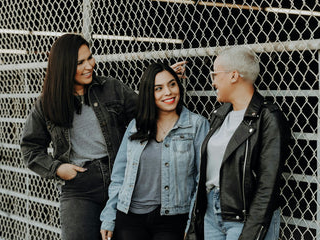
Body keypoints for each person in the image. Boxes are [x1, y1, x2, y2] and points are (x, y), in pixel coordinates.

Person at [20, 34, 186, 240]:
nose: (90, 65)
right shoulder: (46, 103)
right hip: (80, 187)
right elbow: (30, 148)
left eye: (90, 58)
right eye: (80, 62)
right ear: (64, 66)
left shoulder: (111, 88)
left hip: (122, 182)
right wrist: (58, 169)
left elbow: (145, 113)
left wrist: (162, 81)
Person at [186, 47, 290, 240]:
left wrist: (252, 232)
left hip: (244, 217)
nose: (213, 82)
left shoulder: (268, 118)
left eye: (215, 74)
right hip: (211, 211)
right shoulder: (219, 115)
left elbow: (268, 185)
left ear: (233, 76)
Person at [100, 62, 210, 240]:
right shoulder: (136, 126)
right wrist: (109, 216)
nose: (168, 92)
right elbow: (120, 175)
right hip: (129, 216)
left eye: (172, 84)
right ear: (149, 94)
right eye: (158, 88)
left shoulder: (197, 125)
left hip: (173, 217)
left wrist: (192, 222)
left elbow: (201, 179)